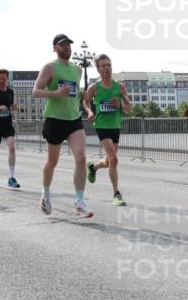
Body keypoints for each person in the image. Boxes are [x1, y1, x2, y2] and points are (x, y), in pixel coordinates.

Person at [33, 33, 91, 217]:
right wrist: (56, 94)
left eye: (68, 44)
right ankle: (45, 193)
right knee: (52, 162)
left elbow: (75, 92)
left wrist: (84, 96)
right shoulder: (50, 67)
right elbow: (36, 91)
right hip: (55, 119)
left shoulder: (77, 70)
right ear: (54, 48)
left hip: (74, 119)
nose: (67, 47)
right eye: (62, 44)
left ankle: (79, 202)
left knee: (81, 158)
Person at [84, 54, 131, 206]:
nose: (107, 68)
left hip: (115, 126)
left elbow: (129, 108)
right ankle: (116, 194)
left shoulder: (120, 87)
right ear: (98, 69)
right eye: (103, 66)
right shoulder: (94, 88)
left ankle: (93, 167)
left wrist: (120, 105)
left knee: (109, 161)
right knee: (114, 159)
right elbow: (85, 102)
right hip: (101, 126)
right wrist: (90, 112)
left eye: (108, 65)